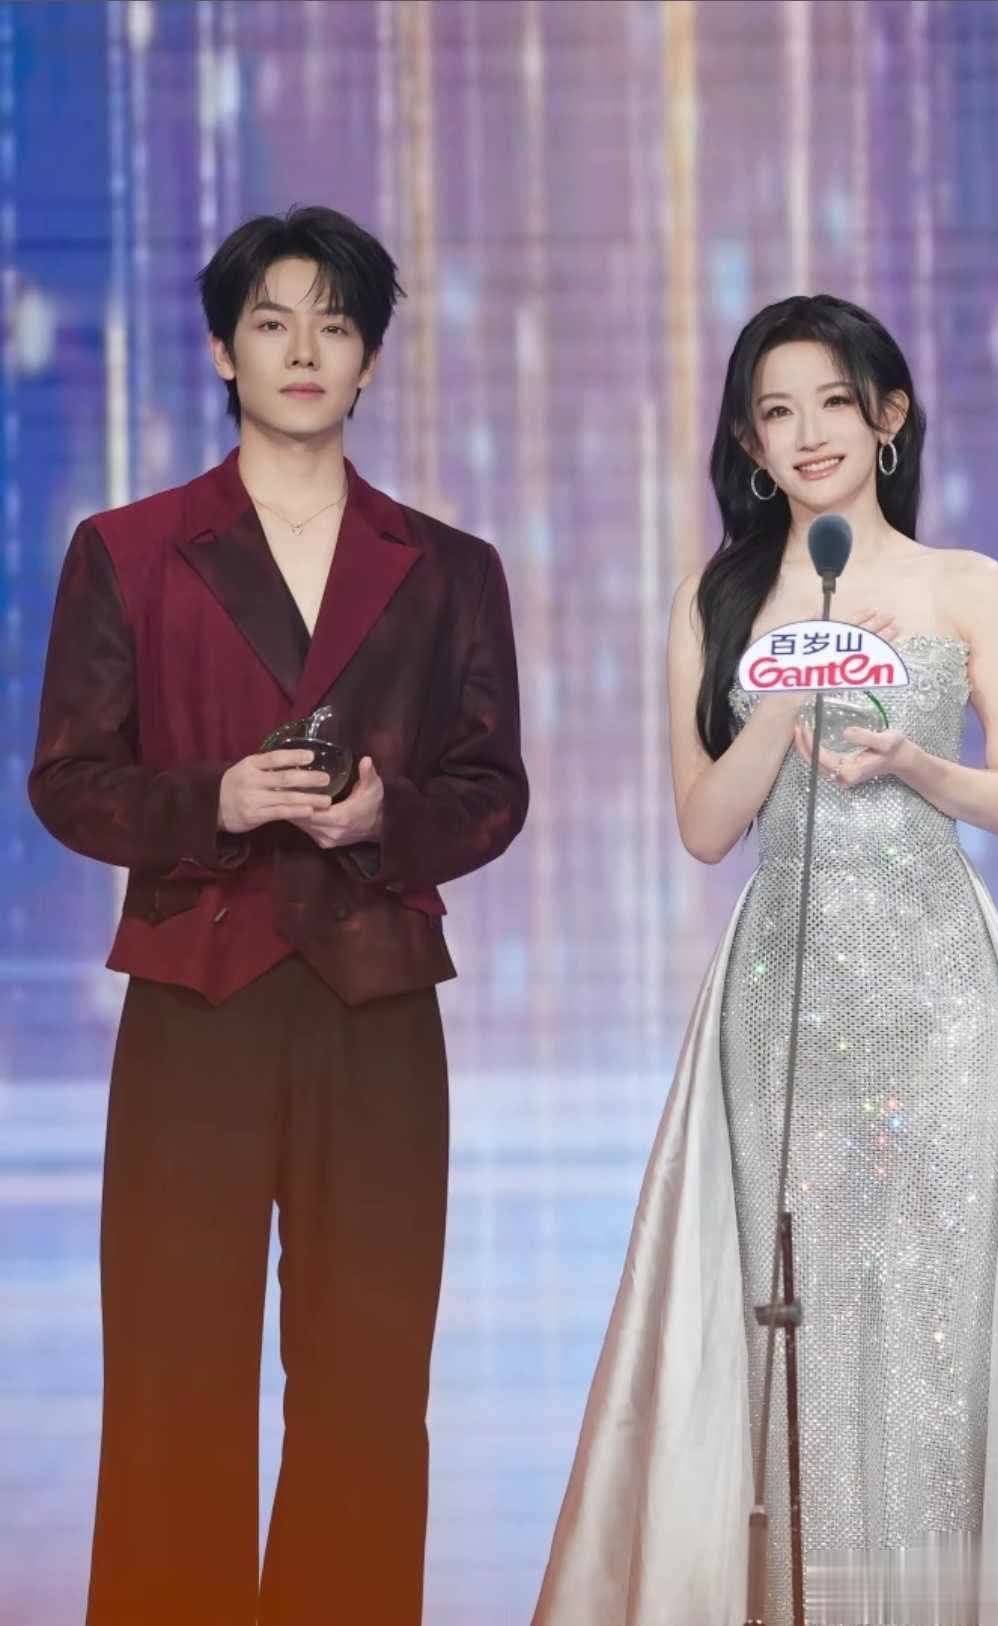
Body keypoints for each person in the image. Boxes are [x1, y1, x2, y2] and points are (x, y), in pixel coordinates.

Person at [533, 294, 998, 1626]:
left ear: (889, 416)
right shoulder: (714, 599)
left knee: (943, 1323)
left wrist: (915, 762)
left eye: (835, 401)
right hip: (782, 991)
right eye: (777, 413)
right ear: (748, 442)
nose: (809, 433)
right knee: (797, 1319)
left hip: (941, 998)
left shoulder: (969, 585)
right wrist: (781, 700)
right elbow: (703, 827)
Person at [29, 204, 528, 1626]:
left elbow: (494, 788)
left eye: (335, 323)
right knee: (174, 1374)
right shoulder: (129, 550)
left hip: (377, 1003)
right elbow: (68, 781)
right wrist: (217, 801)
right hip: (197, 998)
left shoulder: (448, 565)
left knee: (368, 1383)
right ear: (222, 350)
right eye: (272, 321)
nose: (304, 348)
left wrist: (386, 820)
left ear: (368, 360)